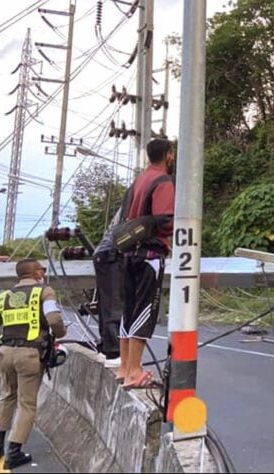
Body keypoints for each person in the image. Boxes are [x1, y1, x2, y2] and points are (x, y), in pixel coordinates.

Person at [0, 259, 66, 469]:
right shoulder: (44, 292)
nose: (44, 273)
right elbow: (54, 319)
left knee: (6, 396)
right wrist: (60, 334)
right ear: (36, 272)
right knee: (27, 403)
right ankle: (14, 453)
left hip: (5, 353)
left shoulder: (4, 297)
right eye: (42, 269)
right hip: (29, 354)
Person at [119, 138, 175, 389]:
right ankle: (134, 371)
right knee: (144, 309)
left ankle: (124, 367)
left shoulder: (138, 181)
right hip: (150, 255)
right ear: (169, 156)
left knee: (128, 309)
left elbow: (125, 216)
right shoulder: (162, 181)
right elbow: (165, 220)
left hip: (129, 253)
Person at [92, 208, 125, 368]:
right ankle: (114, 352)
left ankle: (106, 348)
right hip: (114, 253)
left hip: (105, 252)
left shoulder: (131, 197)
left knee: (107, 304)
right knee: (115, 303)